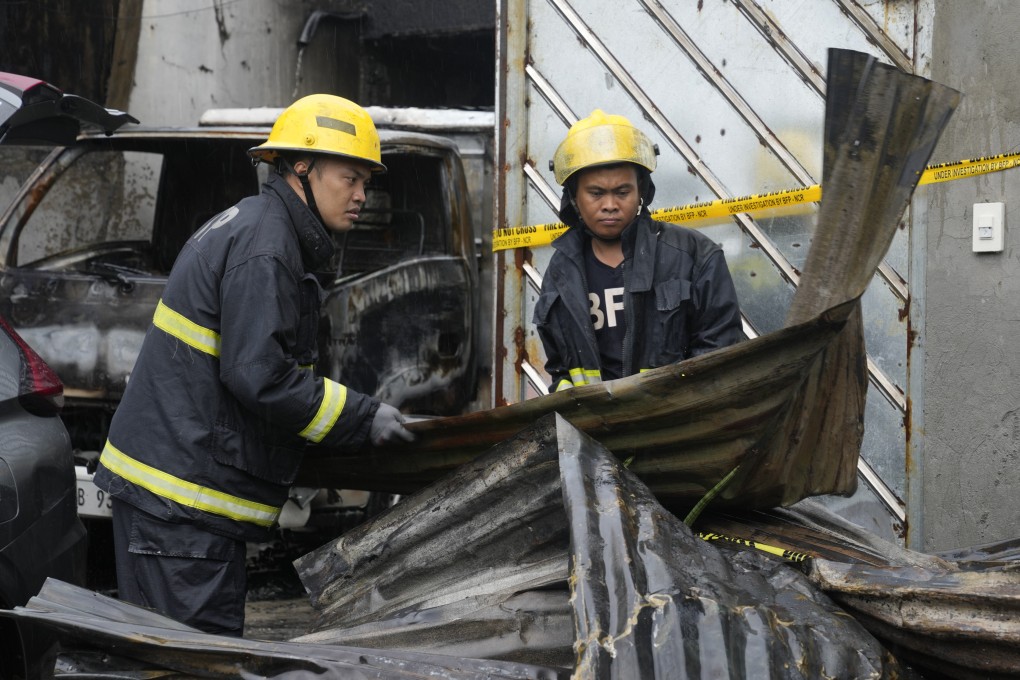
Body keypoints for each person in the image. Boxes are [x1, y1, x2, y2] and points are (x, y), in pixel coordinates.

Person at [93, 94, 414, 636]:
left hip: (176, 497)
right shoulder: (268, 247)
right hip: (179, 505)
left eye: (367, 182)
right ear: (301, 166)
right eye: (350, 178)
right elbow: (259, 377)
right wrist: (363, 418)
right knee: (191, 666)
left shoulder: (261, 226)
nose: (361, 195)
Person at [535, 109, 743, 392]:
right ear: (573, 197)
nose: (610, 204)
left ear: (641, 190)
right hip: (597, 430)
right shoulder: (561, 272)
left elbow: (722, 350)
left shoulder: (694, 256)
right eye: (596, 193)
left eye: (622, 192)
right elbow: (561, 369)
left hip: (679, 426)